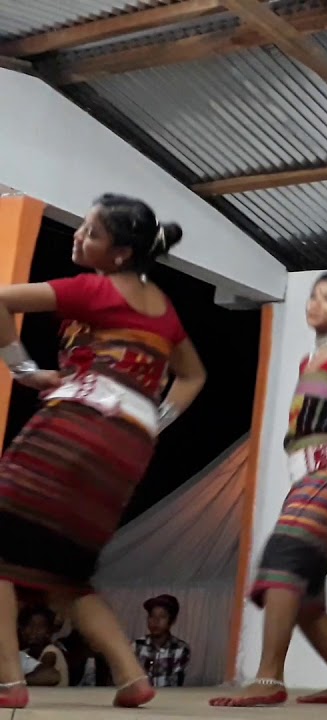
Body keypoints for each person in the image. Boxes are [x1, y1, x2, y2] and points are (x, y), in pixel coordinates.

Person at [0, 193, 205, 709]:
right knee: (66, 576)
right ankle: (132, 677)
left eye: (90, 232)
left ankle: (8, 682)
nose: (77, 236)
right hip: (127, 452)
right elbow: (193, 375)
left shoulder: (94, 288)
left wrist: (24, 371)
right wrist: (152, 421)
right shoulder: (163, 307)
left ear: (119, 254)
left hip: (74, 425)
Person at [211, 272, 327, 708]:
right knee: (307, 591)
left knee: (284, 560)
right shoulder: (308, 362)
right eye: (312, 297)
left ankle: (268, 678)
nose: (313, 304)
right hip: (314, 472)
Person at [133, 594, 190, 687]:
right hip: (142, 698)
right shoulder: (136, 645)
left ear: (172, 621)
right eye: (152, 616)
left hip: (168, 699)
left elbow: (175, 685)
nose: (155, 621)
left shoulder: (181, 648)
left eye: (162, 616)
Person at [18, 606, 68, 687]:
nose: (34, 631)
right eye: (29, 626)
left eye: (40, 627)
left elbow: (45, 677)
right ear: (22, 630)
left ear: (49, 632)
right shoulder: (24, 653)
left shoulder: (51, 651)